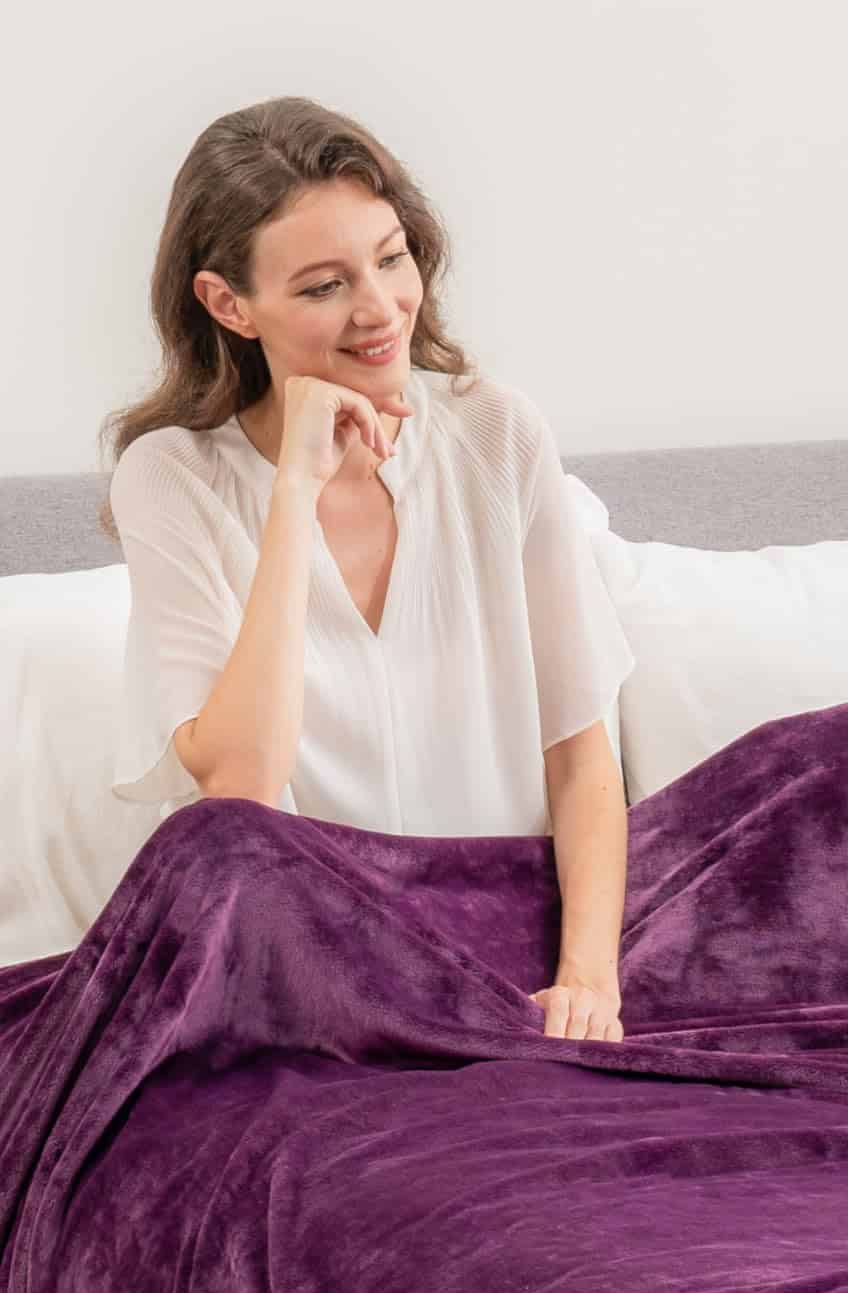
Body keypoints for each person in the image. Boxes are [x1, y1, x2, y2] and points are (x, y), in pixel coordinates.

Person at [98, 97, 634, 1042]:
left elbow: (580, 752)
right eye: (323, 286)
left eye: (392, 258)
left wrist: (589, 982)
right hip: (311, 964)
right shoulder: (172, 478)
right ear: (228, 304)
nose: (381, 309)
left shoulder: (495, 431)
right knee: (209, 845)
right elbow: (242, 790)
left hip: (509, 936)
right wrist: (294, 488)